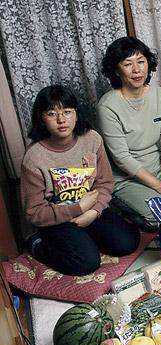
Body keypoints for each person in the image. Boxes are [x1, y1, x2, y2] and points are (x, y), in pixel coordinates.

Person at [21, 85, 141, 276]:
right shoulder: (34, 157)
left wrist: (93, 212)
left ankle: (85, 236)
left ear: (76, 114)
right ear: (41, 119)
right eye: (52, 114)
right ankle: (37, 244)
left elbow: (105, 183)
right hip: (57, 217)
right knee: (86, 263)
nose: (61, 120)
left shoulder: (92, 139)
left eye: (67, 112)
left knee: (127, 243)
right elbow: (34, 212)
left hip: (90, 207)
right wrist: (77, 209)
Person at [97, 37, 161, 231]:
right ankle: (123, 209)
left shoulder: (159, 94)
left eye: (141, 61)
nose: (137, 70)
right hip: (127, 179)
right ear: (116, 70)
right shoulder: (107, 106)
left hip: (159, 169)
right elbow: (121, 158)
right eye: (128, 64)